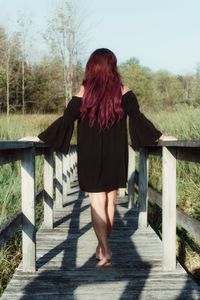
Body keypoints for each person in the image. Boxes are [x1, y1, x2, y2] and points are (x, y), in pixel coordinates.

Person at [19, 48, 177, 267]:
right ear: (112, 66)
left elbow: (66, 120)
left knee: (96, 202)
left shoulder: (84, 92)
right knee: (110, 202)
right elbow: (138, 119)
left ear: (92, 66)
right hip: (115, 154)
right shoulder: (123, 91)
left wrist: (40, 137)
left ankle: (103, 249)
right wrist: (159, 135)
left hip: (90, 154)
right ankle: (103, 247)